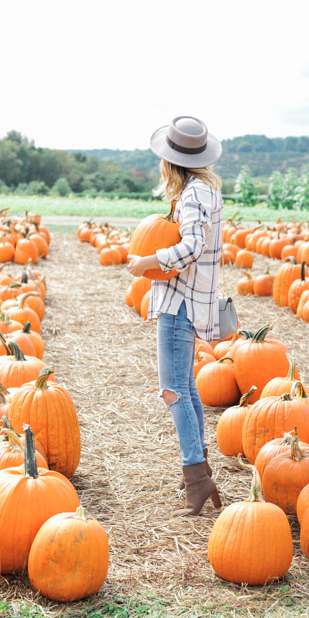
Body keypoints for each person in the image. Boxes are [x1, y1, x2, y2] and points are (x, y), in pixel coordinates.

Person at [127, 116, 223, 517]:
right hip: (192, 301)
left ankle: (196, 479)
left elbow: (191, 247)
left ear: (169, 161)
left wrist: (146, 261)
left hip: (178, 303)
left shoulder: (192, 196)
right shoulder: (205, 190)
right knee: (188, 389)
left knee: (172, 391)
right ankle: (199, 471)